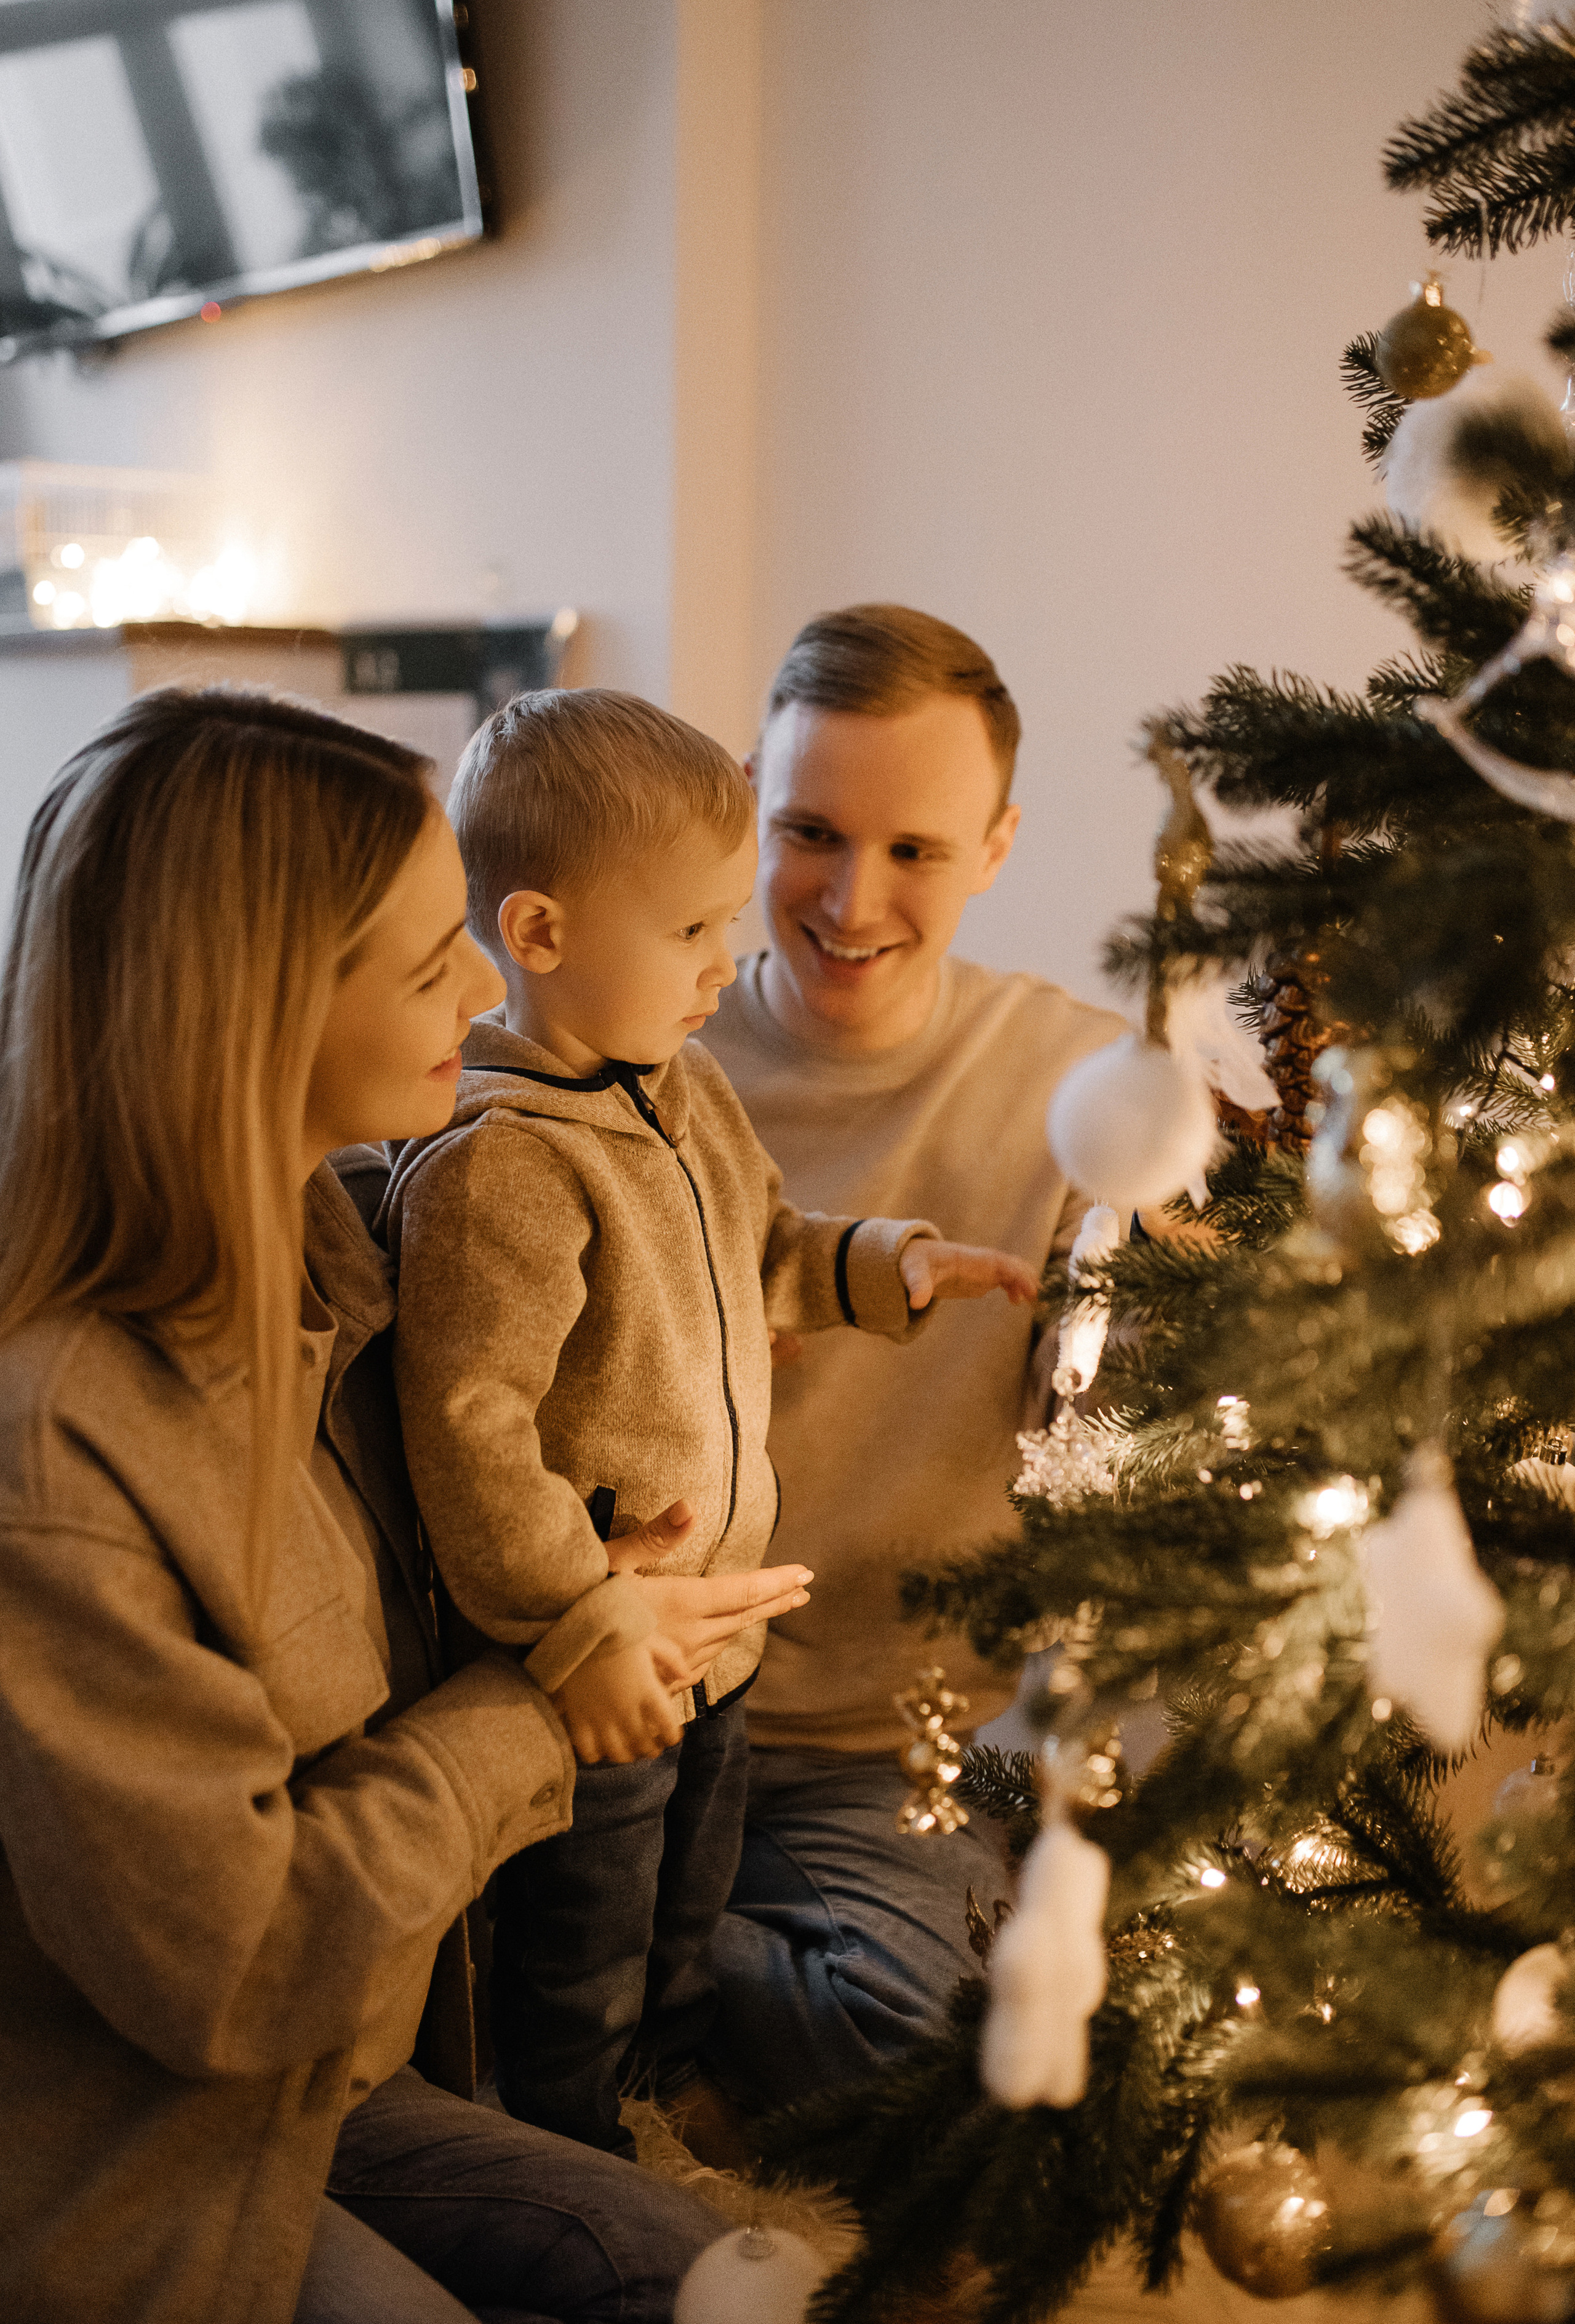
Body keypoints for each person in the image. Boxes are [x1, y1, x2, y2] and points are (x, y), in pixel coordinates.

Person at [0, 685, 739, 2324]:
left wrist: (594, 1586)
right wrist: (542, 1709)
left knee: (723, 2280)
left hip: (349, 2086)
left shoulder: (342, 1264)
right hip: (150, 2160)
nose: (486, 982)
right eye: (425, 964)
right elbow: (239, 1968)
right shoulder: (59, 1454)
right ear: (249, 1017)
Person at [379, 687, 1039, 2158]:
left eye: (723, 923)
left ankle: (673, 2085)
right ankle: (572, 2143)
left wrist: (884, 1266)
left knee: (680, 1906)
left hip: (715, 1645)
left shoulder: (684, 1092)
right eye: (688, 930)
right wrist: (573, 1627)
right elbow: (470, 1435)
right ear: (539, 934)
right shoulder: (501, 1165)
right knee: (583, 1938)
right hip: (600, 1652)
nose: (721, 963)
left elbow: (765, 1246)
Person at [700, 604, 1129, 2115]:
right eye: (809, 832)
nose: (850, 899)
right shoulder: (622, 1051)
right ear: (747, 797)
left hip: (880, 1751)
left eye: (914, 852)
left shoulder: (1089, 1091)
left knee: (928, 2052)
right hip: (602, 1709)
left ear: (995, 847)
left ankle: (655, 1984)